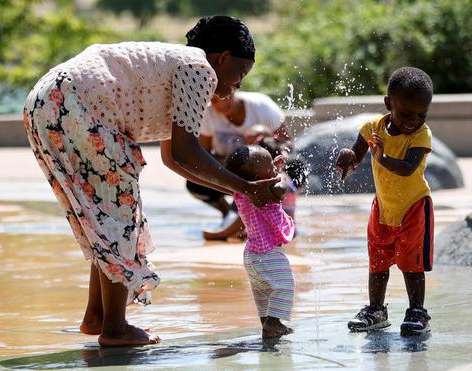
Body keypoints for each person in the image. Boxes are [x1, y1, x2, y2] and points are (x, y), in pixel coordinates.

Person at [23, 16, 281, 347]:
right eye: (240, 75)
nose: (237, 86)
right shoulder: (200, 68)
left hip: (46, 101)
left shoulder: (178, 66)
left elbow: (173, 158)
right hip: (79, 103)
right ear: (223, 58)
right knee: (118, 212)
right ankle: (114, 328)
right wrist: (245, 188)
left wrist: (240, 193)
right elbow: (187, 154)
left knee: (105, 215)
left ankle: (97, 317)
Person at [335, 67, 435, 336]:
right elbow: (357, 154)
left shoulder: (420, 134)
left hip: (414, 206)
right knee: (377, 260)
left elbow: (407, 168)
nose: (413, 120)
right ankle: (376, 310)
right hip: (383, 207)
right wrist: (349, 155)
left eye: (421, 114)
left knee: (411, 263)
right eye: (406, 114)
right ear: (389, 103)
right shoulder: (373, 128)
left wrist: (380, 158)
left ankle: (417, 312)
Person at [186, 91, 291, 226]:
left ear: (234, 89)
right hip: (229, 169)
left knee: (295, 167)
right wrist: (230, 166)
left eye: (226, 96)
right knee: (196, 181)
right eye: (215, 100)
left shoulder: (261, 106)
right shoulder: (208, 114)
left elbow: (287, 143)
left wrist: (275, 163)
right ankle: (228, 214)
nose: (223, 103)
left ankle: (277, 215)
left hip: (263, 170)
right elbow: (203, 154)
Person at [225, 145, 296, 338]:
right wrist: (279, 173)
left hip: (253, 254)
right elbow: (281, 189)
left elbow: (266, 181)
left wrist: (272, 169)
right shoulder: (261, 193)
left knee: (263, 291)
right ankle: (273, 323)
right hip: (267, 254)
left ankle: (268, 325)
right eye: (269, 166)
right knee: (285, 285)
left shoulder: (243, 192)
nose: (273, 169)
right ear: (257, 180)